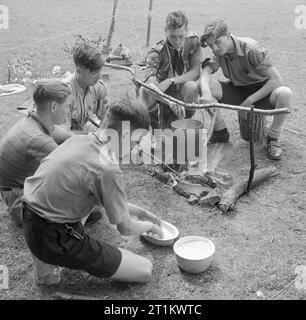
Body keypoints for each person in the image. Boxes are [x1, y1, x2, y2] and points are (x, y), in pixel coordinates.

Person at [22, 98, 163, 284]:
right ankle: (49, 261)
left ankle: (45, 263)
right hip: (52, 236)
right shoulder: (107, 167)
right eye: (136, 140)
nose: (134, 147)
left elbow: (109, 202)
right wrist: (150, 227)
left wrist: (142, 213)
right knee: (144, 270)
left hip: (30, 218)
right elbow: (126, 228)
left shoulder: (79, 139)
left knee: (94, 209)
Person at [199, 20, 293, 160]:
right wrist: (206, 92)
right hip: (238, 90)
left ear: (228, 35)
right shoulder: (219, 52)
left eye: (218, 42)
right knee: (202, 85)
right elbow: (205, 72)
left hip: (261, 92)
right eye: (211, 45)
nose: (215, 48)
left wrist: (249, 101)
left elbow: (276, 80)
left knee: (286, 93)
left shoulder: (251, 48)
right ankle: (220, 132)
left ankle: (273, 138)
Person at [0, 79, 72, 226]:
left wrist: (86, 139)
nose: (68, 111)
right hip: (18, 199)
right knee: (88, 205)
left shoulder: (33, 120)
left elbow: (63, 135)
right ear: (53, 106)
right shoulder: (38, 139)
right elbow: (73, 168)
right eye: (66, 106)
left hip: (14, 190)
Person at [140, 10, 204, 130]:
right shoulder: (156, 52)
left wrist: (171, 80)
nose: (178, 41)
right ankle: (155, 128)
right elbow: (150, 85)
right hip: (162, 96)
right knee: (144, 91)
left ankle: (185, 123)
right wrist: (169, 101)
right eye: (172, 37)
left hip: (182, 91)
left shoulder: (193, 41)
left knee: (192, 87)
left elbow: (195, 72)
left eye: (181, 36)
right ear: (166, 32)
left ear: (186, 30)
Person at [62, 43, 111, 133]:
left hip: (85, 136)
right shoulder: (64, 94)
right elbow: (62, 134)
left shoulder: (99, 88)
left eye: (100, 71)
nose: (99, 77)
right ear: (78, 71)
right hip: (67, 141)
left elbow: (108, 119)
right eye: (94, 73)